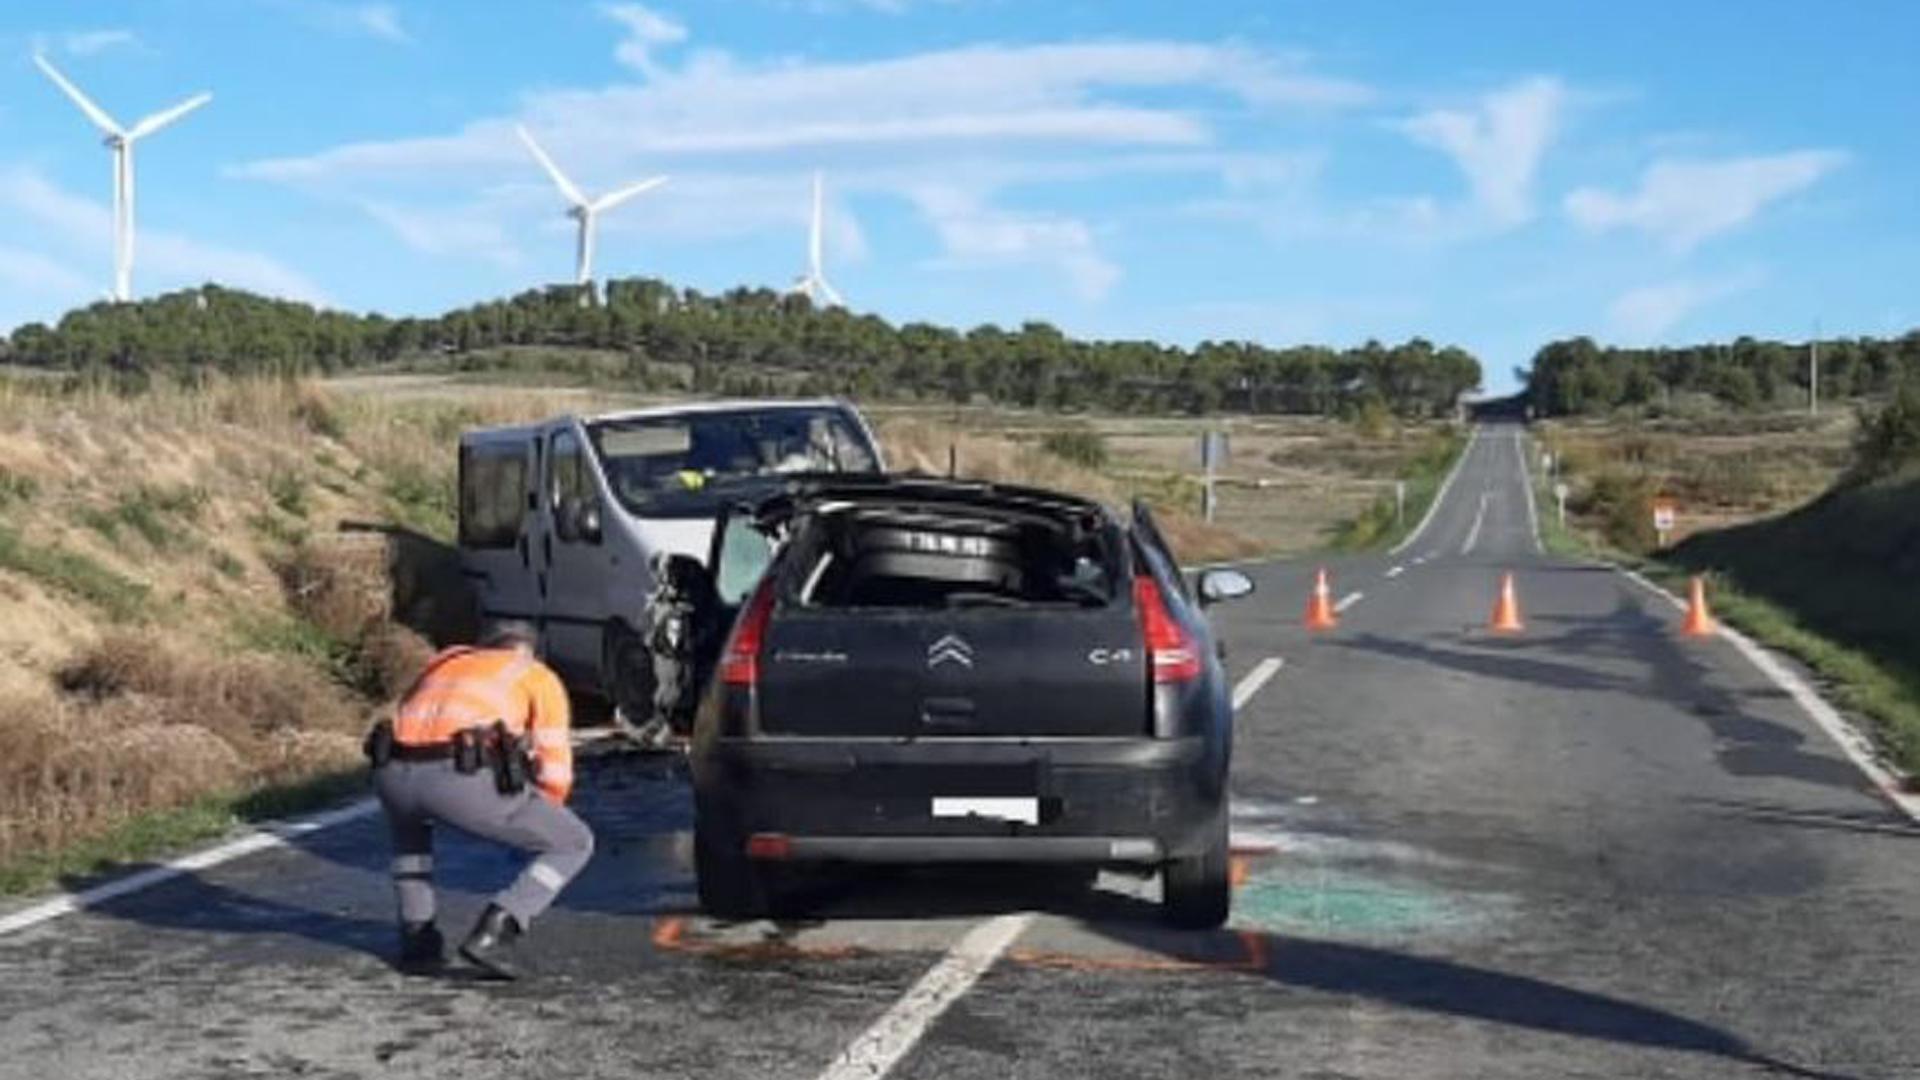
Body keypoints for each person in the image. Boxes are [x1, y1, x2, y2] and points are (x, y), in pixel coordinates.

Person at [366, 620, 593, 980]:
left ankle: (417, 942)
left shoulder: (444, 661)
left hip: (390, 773)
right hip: (458, 779)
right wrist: (543, 816)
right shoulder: (536, 675)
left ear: (483, 646)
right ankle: (497, 930)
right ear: (531, 651)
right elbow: (555, 769)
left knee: (411, 842)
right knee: (574, 842)